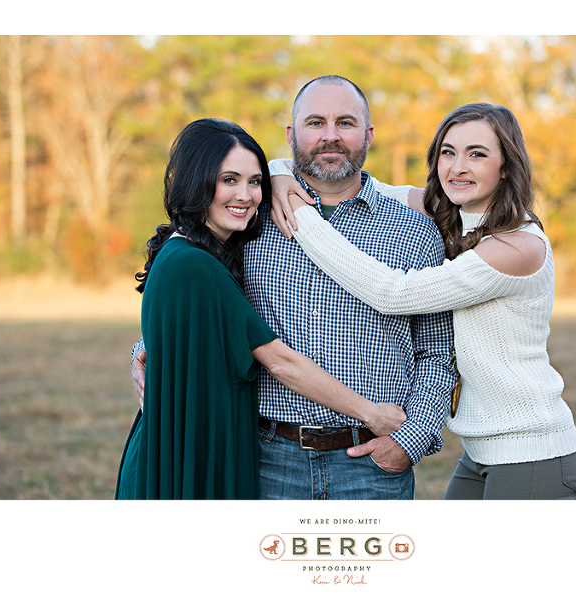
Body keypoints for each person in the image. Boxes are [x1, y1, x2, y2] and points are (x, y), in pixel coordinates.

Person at [273, 103, 576, 499]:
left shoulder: (516, 246)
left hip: (533, 449)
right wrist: (279, 173)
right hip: (482, 452)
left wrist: (301, 216)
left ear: (506, 166)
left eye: (478, 154)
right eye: (448, 152)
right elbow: (363, 185)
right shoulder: (455, 213)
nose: (458, 167)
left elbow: (391, 294)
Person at [115, 118, 405, 500]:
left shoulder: (189, 250)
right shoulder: (195, 264)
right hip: (187, 454)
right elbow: (280, 361)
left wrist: (281, 177)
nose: (246, 195)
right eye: (228, 180)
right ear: (197, 181)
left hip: (189, 441)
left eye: (255, 182)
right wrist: (371, 413)